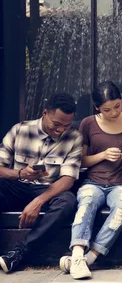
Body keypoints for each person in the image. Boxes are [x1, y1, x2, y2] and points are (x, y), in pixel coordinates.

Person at [59, 82, 122, 279]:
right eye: (107, 109)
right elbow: (80, 161)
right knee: (85, 206)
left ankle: (88, 259)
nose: (114, 112)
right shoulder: (88, 124)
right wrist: (104, 155)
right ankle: (78, 254)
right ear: (97, 108)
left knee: (121, 212)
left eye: (117, 106)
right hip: (94, 182)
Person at [0, 93, 83, 274]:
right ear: (45, 113)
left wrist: (39, 201)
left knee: (68, 201)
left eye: (66, 125)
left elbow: (68, 179)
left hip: (48, 190)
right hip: (17, 185)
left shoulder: (74, 137)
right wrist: (20, 173)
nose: (61, 130)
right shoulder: (20, 130)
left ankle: (19, 252)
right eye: (56, 124)